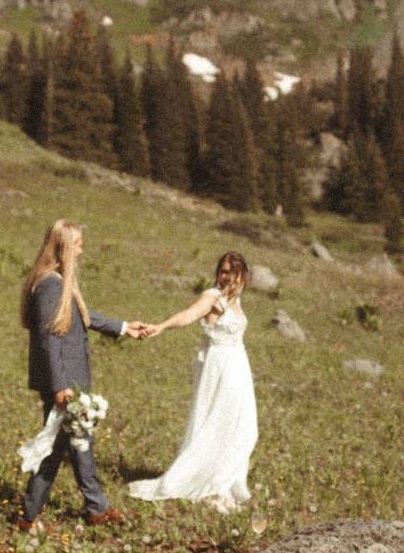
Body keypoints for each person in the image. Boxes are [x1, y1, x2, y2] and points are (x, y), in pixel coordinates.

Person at [15, 219, 144, 531]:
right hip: (65, 383)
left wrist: (125, 327)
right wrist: (60, 385)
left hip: (72, 381)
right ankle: (36, 514)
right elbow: (49, 339)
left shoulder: (58, 283)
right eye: (78, 244)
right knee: (64, 445)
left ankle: (85, 507)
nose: (83, 249)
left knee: (75, 442)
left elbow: (84, 317)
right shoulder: (50, 286)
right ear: (64, 249)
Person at [129, 251, 259, 513]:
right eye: (222, 271)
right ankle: (211, 484)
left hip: (238, 366)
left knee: (244, 426)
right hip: (219, 365)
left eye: (230, 272)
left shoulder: (236, 300)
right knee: (218, 421)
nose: (224, 276)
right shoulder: (213, 297)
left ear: (241, 275)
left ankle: (226, 479)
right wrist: (162, 326)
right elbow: (189, 315)